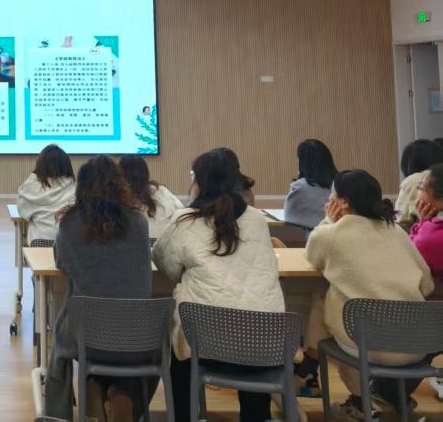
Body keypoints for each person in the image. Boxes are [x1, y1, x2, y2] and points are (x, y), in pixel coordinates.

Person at [153, 147, 284, 422]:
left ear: (199, 182)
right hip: (263, 341)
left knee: (179, 359)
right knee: (252, 348)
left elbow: (166, 264)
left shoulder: (185, 220)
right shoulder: (257, 220)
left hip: (205, 344)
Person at [305, 169, 433, 419]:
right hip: (417, 344)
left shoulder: (330, 235)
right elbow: (426, 285)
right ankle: (311, 372)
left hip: (368, 346)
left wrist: (328, 221)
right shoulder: (395, 230)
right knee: (337, 303)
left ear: (343, 202)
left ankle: (326, 380)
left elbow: (312, 254)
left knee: (326, 300)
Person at [44, 156, 153, 422]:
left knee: (70, 329)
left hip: (86, 337)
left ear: (80, 187)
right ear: (120, 184)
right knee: (163, 348)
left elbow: (62, 263)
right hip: (137, 336)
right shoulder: (139, 222)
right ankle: (125, 398)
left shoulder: (70, 225)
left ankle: (88, 393)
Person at [17, 144, 77, 243]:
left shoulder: (32, 188)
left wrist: (34, 176)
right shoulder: (77, 188)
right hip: (69, 244)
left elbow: (22, 213)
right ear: (67, 165)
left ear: (40, 166)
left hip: (39, 243)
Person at [119, 153, 183, 238]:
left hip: (139, 243)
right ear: (146, 173)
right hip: (166, 241)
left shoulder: (119, 196)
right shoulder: (161, 190)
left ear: (120, 174)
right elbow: (181, 211)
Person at [284, 139, 338, 230]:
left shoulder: (300, 187)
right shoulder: (341, 184)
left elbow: (288, 216)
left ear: (302, 162)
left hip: (315, 237)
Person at [395, 139, 443, 223]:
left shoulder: (411, 181)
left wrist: (423, 223)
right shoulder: (438, 176)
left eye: (420, 188)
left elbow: (401, 220)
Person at [410, 163, 443, 281]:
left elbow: (409, 256)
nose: (418, 193)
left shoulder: (430, 239)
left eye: (421, 188)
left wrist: (423, 223)